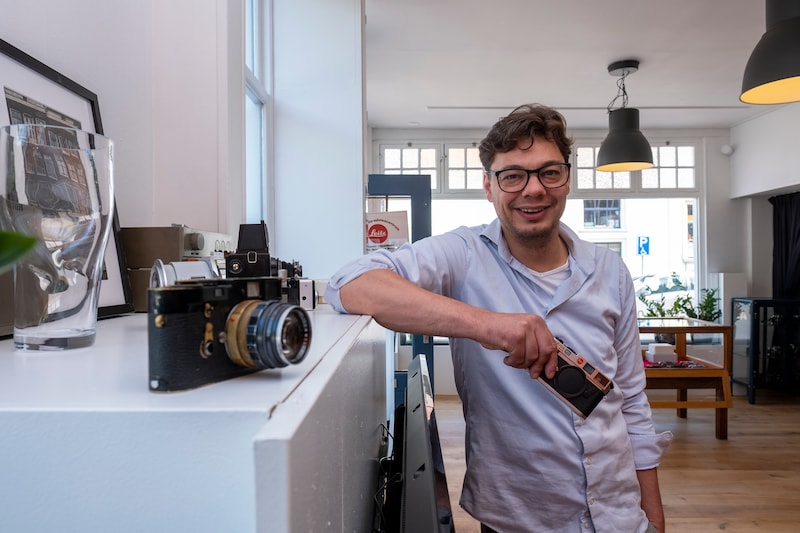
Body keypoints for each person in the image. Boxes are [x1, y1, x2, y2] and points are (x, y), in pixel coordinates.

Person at [325, 103, 672, 533]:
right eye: (512, 176)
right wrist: (489, 325)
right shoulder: (463, 255)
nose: (533, 189)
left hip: (619, 513)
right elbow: (350, 284)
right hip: (520, 518)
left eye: (549, 172)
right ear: (489, 187)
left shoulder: (611, 271)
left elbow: (632, 400)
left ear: (567, 179)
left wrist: (654, 517)